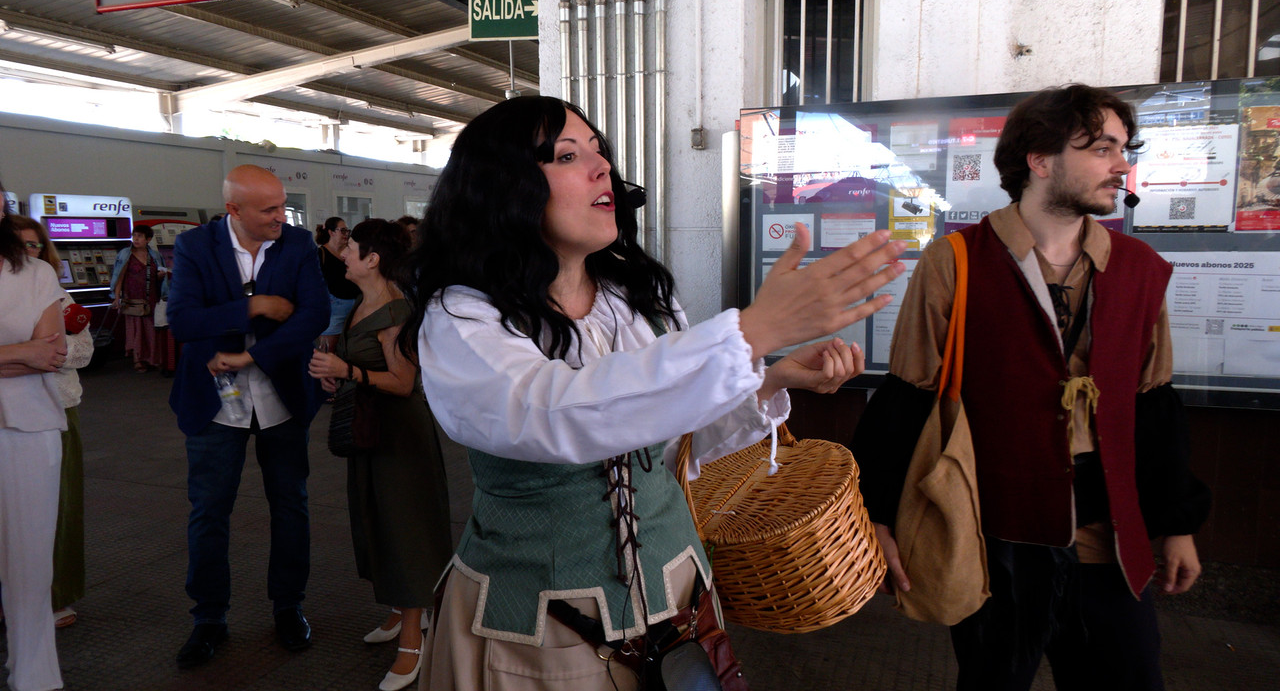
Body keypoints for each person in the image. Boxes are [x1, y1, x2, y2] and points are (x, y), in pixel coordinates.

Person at [402, 96, 906, 690]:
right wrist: (749, 336)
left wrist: (768, 374)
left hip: (678, 604)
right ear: (501, 188)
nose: (601, 170)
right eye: (567, 156)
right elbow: (549, 411)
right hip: (538, 631)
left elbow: (669, 445)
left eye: (601, 153)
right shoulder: (463, 316)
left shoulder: (638, 299)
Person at [854, 84, 1212, 691]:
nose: (1122, 165)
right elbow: (909, 393)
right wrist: (878, 517)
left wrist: (1177, 523)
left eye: (1124, 149)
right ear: (1039, 160)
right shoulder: (957, 261)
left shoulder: (1139, 269)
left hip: (1108, 539)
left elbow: (1153, 404)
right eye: (1102, 148)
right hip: (997, 536)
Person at [167, 164, 330, 669]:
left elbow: (315, 314)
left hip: (281, 396)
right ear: (232, 210)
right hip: (217, 402)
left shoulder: (298, 244)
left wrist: (253, 355)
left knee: (291, 506)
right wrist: (255, 305)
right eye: (269, 210)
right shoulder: (197, 247)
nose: (281, 217)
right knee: (209, 512)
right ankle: (209, 618)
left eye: (283, 206)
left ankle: (288, 606)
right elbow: (183, 321)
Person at [308, 219, 451, 691]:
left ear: (373, 260)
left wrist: (346, 367)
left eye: (351, 248)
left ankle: (413, 641)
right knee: (379, 522)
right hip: (373, 432)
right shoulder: (362, 303)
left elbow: (404, 383)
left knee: (404, 528)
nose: (343, 252)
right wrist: (339, 373)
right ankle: (399, 612)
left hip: (399, 438)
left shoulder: (396, 310)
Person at [0, 180, 69, 691]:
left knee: (29, 559)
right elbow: (30, 354)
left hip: (31, 426)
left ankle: (34, 673)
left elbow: (50, 353)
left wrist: (29, 354)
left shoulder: (35, 271)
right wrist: (17, 353)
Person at [10, 215, 93, 629]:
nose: (28, 252)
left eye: (34, 245)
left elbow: (73, 355)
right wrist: (28, 352)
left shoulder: (57, 295)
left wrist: (30, 353)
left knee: (56, 508)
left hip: (57, 411)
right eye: (18, 244)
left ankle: (53, 594)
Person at [109, 224, 168, 373]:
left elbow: (161, 275)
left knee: (152, 329)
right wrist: (116, 297)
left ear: (148, 239)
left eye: (140, 236)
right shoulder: (125, 254)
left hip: (151, 297)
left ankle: (153, 359)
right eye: (134, 235)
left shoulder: (154, 255)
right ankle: (138, 360)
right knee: (135, 329)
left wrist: (160, 277)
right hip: (132, 298)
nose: (136, 239)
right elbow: (119, 277)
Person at [315, 216, 358, 352]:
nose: (346, 234)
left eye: (347, 231)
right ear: (331, 232)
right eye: (342, 230)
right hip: (335, 308)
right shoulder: (320, 253)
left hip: (354, 305)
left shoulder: (349, 252)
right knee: (329, 351)